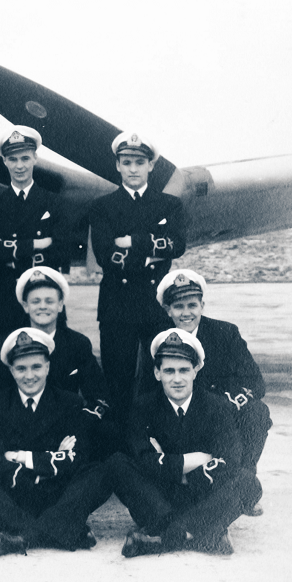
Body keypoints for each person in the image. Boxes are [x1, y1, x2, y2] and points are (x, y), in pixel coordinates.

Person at [110, 329, 247, 556]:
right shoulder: (143, 407)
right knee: (117, 464)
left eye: (184, 370)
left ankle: (164, 535)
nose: (177, 379)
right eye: (169, 371)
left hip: (201, 494)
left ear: (195, 371)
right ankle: (202, 532)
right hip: (158, 498)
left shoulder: (217, 406)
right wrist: (196, 460)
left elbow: (230, 460)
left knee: (248, 482)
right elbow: (143, 460)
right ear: (156, 373)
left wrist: (175, 470)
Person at [0, 328, 93, 556]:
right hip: (14, 495)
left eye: (36, 367)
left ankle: (20, 535)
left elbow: (78, 458)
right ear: (11, 370)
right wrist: (52, 457)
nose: (29, 376)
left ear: (48, 367)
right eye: (21, 368)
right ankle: (58, 531)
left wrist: (19, 456)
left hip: (54, 494)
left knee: (96, 472)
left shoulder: (70, 402)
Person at [155, 269, 270, 516]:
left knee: (257, 412)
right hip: (178, 417)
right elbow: (147, 385)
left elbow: (255, 383)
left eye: (192, 305)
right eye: (178, 306)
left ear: (202, 305)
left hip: (220, 411)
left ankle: (244, 486)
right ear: (167, 310)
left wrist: (223, 405)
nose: (186, 313)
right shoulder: (157, 338)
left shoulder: (225, 334)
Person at [88, 132, 186, 420]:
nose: (133, 168)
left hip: (155, 305)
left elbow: (177, 246)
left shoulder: (169, 205)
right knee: (118, 383)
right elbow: (107, 256)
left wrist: (131, 241)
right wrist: (152, 252)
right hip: (116, 306)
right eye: (127, 162)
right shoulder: (102, 207)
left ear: (151, 166)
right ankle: (120, 449)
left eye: (139, 162)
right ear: (117, 165)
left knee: (160, 381)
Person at [0, 267, 116, 458]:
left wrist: (78, 424)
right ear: (25, 306)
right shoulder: (8, 344)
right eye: (35, 301)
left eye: (49, 301)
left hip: (67, 429)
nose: (42, 306)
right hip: (21, 428)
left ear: (61, 305)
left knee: (107, 433)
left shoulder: (77, 344)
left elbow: (99, 395)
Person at [0, 126, 68, 363]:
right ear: (5, 161)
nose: (20, 166)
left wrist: (8, 248)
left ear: (35, 158)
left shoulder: (54, 203)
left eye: (25, 158)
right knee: (4, 357)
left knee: (53, 359)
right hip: (6, 295)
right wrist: (37, 244)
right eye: (13, 159)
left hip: (44, 292)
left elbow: (61, 250)